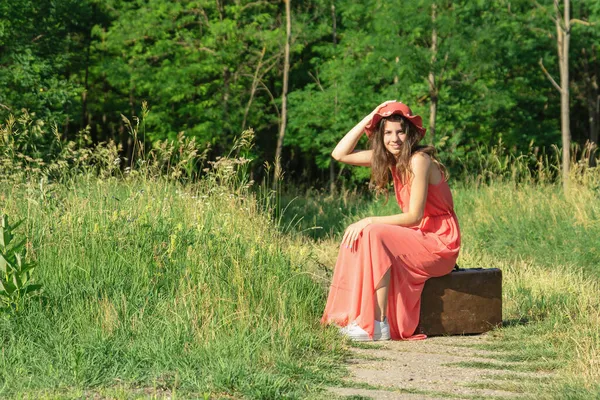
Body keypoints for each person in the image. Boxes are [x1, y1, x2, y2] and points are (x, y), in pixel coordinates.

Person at [321, 100, 461, 341]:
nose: (394, 138)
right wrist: (370, 117)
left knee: (373, 231)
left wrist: (368, 219)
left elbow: (414, 216)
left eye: (400, 131)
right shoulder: (391, 159)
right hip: (418, 236)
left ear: (411, 133)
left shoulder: (420, 160)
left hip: (439, 241)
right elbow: (339, 154)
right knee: (363, 235)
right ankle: (356, 317)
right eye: (387, 133)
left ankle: (377, 323)